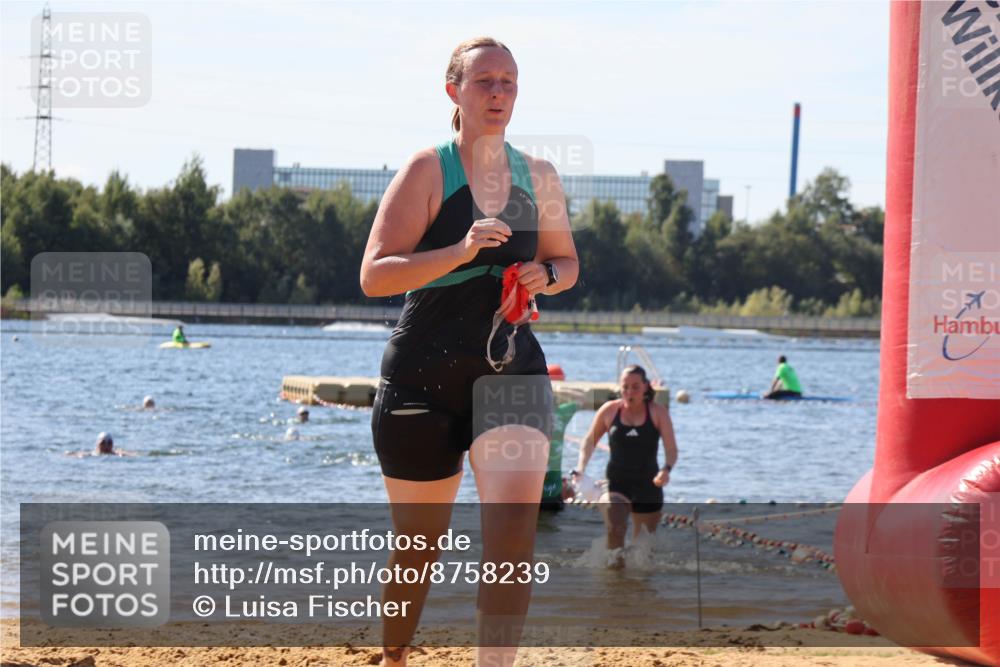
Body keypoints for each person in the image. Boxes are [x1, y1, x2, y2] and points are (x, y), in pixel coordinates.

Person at [359, 36, 578, 667]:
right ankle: (395, 656)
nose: (499, 93)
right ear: (453, 91)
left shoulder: (540, 176)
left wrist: (549, 278)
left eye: (509, 82)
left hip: (513, 371)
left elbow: (566, 261)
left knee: (512, 539)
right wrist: (459, 251)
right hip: (421, 379)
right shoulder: (427, 170)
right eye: (485, 81)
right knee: (418, 549)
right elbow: (375, 276)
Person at [573, 365, 678, 565]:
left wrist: (666, 469)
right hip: (617, 485)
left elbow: (671, 449)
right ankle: (613, 588)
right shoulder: (610, 410)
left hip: (649, 486)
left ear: (646, 387)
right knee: (616, 530)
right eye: (625, 387)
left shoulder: (657, 413)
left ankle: (637, 592)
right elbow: (589, 441)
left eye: (635, 387)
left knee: (643, 553)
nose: (629, 392)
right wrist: (581, 468)